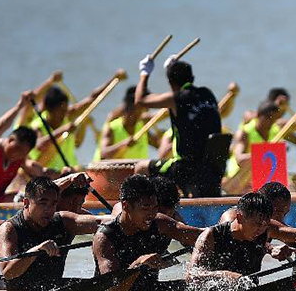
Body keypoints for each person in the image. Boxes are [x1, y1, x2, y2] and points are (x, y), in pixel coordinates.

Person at [93, 175, 203, 291]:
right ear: (126, 206)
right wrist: (139, 263)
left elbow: (200, 236)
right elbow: (114, 290)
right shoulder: (104, 237)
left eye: (155, 207)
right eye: (146, 208)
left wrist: (225, 230)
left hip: (149, 290)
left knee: (205, 285)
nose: (152, 214)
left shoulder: (160, 222)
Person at [133, 58, 223, 197]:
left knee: (141, 168)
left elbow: (140, 100)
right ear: (192, 78)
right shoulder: (208, 94)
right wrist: (173, 69)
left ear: (170, 82)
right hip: (212, 167)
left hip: (187, 168)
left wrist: (145, 73)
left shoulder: (176, 98)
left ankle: (147, 211)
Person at [0, 177, 103, 291]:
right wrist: (36, 250)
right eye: (43, 203)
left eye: (53, 204)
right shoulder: (9, 229)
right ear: (26, 203)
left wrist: (120, 217)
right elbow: (7, 272)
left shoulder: (64, 220)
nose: (49, 209)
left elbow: (103, 222)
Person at [21, 70, 126, 171]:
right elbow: (39, 145)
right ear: (49, 109)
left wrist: (113, 80)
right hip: (48, 176)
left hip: (69, 172)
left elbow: (92, 98)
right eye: (60, 110)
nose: (64, 113)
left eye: (65, 108)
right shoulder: (38, 126)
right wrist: (62, 130)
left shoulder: (68, 115)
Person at [0, 91, 59, 203]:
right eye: (17, 149)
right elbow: (0, 127)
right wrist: (20, 105)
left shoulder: (19, 158)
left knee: (24, 196)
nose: (17, 155)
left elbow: (35, 169)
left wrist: (53, 175)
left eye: (22, 153)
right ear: (10, 139)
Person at [190, 192, 286, 281]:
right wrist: (225, 275)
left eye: (265, 225)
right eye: (257, 223)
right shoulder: (211, 235)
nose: (260, 230)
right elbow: (191, 275)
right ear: (240, 218)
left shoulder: (262, 233)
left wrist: (272, 248)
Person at [94, 86, 157, 161]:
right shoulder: (111, 127)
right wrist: (124, 144)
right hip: (111, 171)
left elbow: (158, 145)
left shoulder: (142, 127)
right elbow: (103, 154)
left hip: (138, 171)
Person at [226, 101, 282, 179]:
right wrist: (261, 155)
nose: (271, 122)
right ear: (258, 115)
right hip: (239, 175)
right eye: (268, 118)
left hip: (260, 174)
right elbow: (239, 159)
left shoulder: (276, 130)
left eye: (275, 118)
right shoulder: (245, 132)